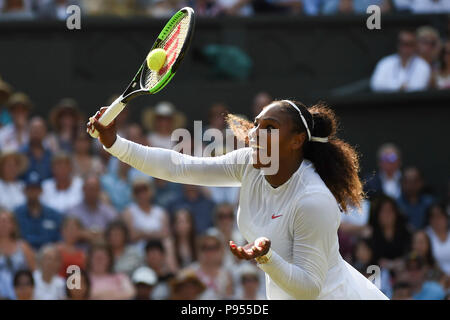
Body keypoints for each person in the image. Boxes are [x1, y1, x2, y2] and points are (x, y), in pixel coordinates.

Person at [88, 99, 388, 299]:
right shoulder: (249, 163)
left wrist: (266, 258)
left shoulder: (313, 201)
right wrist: (115, 143)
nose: (255, 134)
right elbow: (179, 167)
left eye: (269, 128)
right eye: (257, 124)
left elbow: (309, 288)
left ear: (297, 141)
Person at [14, 171, 62, 250]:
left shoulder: (53, 215)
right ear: (24, 191)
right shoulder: (16, 214)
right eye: (30, 189)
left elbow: (59, 239)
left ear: (41, 191)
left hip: (48, 256)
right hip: (23, 255)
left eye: (36, 189)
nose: (33, 193)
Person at [123, 178, 170, 250]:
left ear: (151, 191)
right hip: (138, 251)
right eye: (138, 191)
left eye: (145, 190)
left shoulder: (160, 212)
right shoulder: (129, 212)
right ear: (134, 194)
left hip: (158, 251)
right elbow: (131, 236)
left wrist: (142, 234)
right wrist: (155, 233)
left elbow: (165, 234)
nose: (142, 194)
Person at [185, 229, 234, 299]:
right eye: (205, 247)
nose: (209, 252)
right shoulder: (190, 272)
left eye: (214, 247)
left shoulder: (226, 275)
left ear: (221, 250)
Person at [369, 195, 411, 273]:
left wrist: (400, 262)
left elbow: (409, 254)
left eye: (390, 211)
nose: (387, 215)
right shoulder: (371, 234)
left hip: (403, 272)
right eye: (383, 211)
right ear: (378, 214)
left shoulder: (406, 232)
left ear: (396, 213)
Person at [68, 176, 117, 241]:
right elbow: (68, 233)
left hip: (103, 248)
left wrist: (103, 234)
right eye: (89, 189)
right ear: (83, 189)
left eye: (94, 189)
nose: (92, 192)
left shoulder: (108, 211)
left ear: (99, 191)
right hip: (80, 248)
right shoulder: (73, 211)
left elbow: (116, 232)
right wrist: (84, 234)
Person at [0, 210, 35, 300]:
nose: (3, 225)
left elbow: (34, 274)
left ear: (13, 225)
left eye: (5, 221)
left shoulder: (23, 247)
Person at [397, 166, 435, 231]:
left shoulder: (431, 203)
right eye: (407, 181)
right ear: (402, 183)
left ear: (421, 182)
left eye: (415, 181)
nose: (411, 185)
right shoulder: (396, 205)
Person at [20, 116, 53, 181]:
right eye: (34, 130)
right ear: (28, 131)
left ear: (45, 132)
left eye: (39, 131)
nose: (37, 134)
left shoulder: (51, 156)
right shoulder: (20, 154)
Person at [425, 203, 450, 275]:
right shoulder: (425, 236)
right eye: (433, 217)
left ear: (446, 217)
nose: (437, 220)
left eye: (440, 216)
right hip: (435, 276)